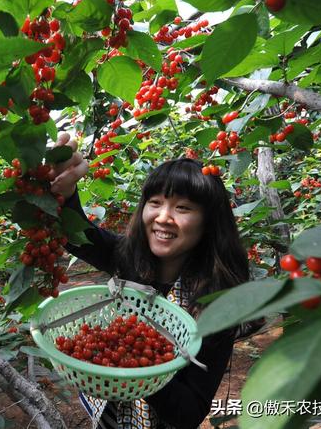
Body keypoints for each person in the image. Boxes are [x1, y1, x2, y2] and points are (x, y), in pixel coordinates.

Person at [48, 133, 250, 429]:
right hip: (107, 417)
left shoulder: (216, 304)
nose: (163, 217)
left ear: (208, 222)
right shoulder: (128, 257)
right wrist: (63, 192)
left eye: (183, 208)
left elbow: (189, 413)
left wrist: (138, 369)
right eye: (155, 202)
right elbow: (77, 237)